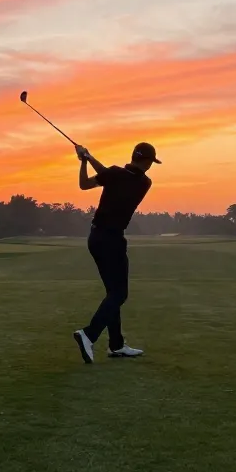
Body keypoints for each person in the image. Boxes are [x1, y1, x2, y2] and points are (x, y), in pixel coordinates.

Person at [71, 141, 160, 363]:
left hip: (96, 238)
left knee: (113, 292)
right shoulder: (139, 180)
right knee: (119, 294)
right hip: (111, 240)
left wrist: (86, 159)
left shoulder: (131, 179)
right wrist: (87, 159)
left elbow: (88, 182)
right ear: (146, 161)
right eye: (151, 162)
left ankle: (116, 345)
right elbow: (104, 176)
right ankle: (89, 335)